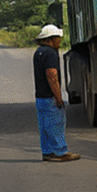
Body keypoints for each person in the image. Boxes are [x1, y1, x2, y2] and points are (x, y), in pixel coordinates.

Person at [34, 24, 80, 162]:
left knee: (45, 126)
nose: (60, 41)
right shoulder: (51, 53)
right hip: (50, 97)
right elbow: (51, 75)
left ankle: (48, 151)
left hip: (40, 98)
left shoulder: (38, 52)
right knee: (56, 124)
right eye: (58, 38)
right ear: (51, 39)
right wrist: (58, 97)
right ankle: (60, 151)